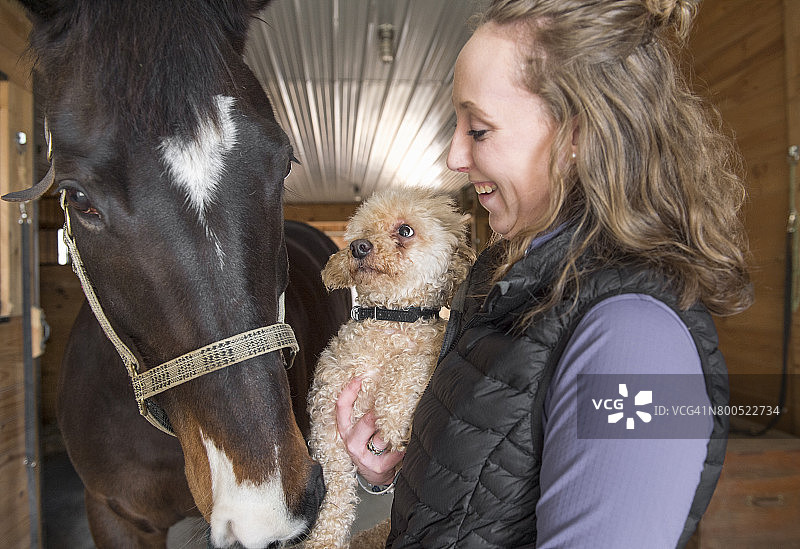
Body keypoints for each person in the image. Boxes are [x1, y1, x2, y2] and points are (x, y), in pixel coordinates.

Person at [335, 0, 753, 547]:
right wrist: (395, 471)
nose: (454, 156)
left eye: (478, 129)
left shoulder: (637, 344)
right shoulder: (500, 282)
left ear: (577, 135)